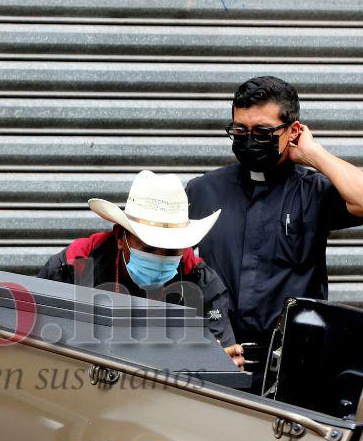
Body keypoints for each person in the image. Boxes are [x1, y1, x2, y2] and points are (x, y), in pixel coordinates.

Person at [186, 76, 363, 388]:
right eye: (239, 130)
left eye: (263, 132)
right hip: (219, 365)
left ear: (292, 131)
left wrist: (314, 154)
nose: (249, 139)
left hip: (296, 372)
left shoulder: (314, 192)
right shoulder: (203, 191)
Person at [38, 170, 240, 362]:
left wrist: (223, 364)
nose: (160, 259)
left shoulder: (202, 283)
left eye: (171, 251)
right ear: (120, 237)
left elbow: (221, 362)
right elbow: (35, 343)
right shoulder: (73, 267)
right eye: (150, 248)